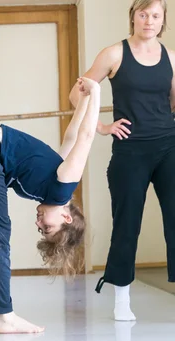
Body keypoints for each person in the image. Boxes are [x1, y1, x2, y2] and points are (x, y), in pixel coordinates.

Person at [0, 77, 99, 333]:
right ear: (67, 218)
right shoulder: (65, 185)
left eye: (41, 229)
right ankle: (4, 318)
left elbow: (71, 135)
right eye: (47, 228)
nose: (39, 223)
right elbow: (84, 137)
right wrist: (94, 94)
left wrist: (82, 102)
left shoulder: (53, 183)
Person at [71, 0, 175, 321]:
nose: (149, 20)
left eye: (155, 15)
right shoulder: (114, 54)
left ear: (162, 21)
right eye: (143, 14)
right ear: (133, 17)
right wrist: (102, 127)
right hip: (130, 152)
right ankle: (121, 298)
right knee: (127, 224)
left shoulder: (170, 57)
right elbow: (78, 93)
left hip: (168, 147)